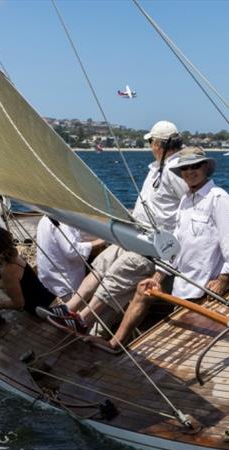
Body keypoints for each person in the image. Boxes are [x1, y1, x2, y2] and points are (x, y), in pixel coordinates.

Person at [87, 146, 229, 350]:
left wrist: (225, 278)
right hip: (182, 281)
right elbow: (176, 243)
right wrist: (158, 276)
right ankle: (115, 343)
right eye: (185, 168)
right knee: (144, 289)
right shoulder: (185, 201)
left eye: (195, 165)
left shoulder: (218, 198)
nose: (189, 171)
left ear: (205, 167)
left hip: (202, 284)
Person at [39, 120, 188, 331]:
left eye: (151, 142)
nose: (150, 147)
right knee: (101, 263)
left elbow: (187, 210)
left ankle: (82, 320)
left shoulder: (177, 172)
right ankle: (69, 308)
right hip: (137, 237)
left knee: (116, 273)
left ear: (160, 144)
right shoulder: (158, 168)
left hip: (155, 248)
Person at [0, 227, 56, 314]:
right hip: (48, 298)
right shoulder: (14, 256)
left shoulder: (8, 269)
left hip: (45, 310)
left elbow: (19, 304)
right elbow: (14, 283)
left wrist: (1, 304)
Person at [35, 215, 103, 299]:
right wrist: (102, 241)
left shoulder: (45, 218)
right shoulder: (61, 221)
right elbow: (72, 251)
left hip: (49, 282)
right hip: (65, 286)